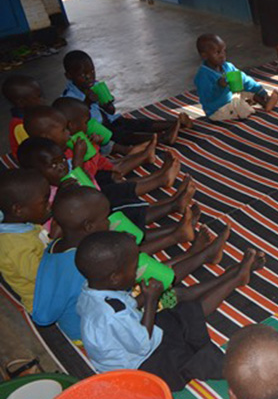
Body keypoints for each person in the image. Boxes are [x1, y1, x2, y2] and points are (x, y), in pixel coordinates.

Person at [76, 230, 265, 390]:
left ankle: (234, 278)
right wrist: (151, 299)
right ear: (115, 277)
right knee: (187, 360)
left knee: (183, 312)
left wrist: (149, 297)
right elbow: (143, 344)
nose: (136, 272)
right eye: (133, 268)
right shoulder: (111, 313)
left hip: (135, 339)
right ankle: (240, 369)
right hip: (138, 367)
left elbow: (129, 311)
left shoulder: (92, 289)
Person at [17, 136, 199, 255]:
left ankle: (174, 206)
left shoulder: (67, 174)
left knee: (127, 223)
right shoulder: (43, 197)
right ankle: (175, 229)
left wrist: (80, 173)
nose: (62, 166)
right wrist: (67, 192)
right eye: (53, 165)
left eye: (62, 160)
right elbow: (55, 234)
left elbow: (94, 190)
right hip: (86, 238)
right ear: (34, 173)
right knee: (123, 238)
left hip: (97, 215)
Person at [23, 105, 181, 196]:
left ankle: (149, 163)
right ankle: (159, 179)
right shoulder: (48, 160)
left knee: (113, 175)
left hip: (90, 186)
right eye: (64, 130)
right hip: (86, 199)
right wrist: (80, 156)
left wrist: (93, 147)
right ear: (46, 136)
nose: (68, 133)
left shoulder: (58, 150)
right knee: (115, 186)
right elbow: (82, 180)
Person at [61, 50, 190, 145]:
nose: (89, 77)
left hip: (112, 120)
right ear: (69, 76)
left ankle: (176, 123)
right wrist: (88, 102)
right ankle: (161, 138)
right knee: (124, 136)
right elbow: (77, 125)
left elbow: (111, 111)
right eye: (82, 75)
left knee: (138, 123)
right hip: (100, 132)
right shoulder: (69, 100)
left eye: (92, 71)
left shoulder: (95, 86)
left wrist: (106, 104)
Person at [194, 34, 278, 121]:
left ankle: (265, 103)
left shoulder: (227, 67)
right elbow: (207, 98)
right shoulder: (203, 76)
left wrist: (261, 91)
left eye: (224, 51)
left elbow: (245, 80)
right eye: (218, 52)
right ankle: (247, 107)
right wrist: (219, 86)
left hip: (231, 99)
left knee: (249, 92)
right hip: (217, 110)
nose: (223, 55)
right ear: (204, 55)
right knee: (241, 106)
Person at [0, 169, 51, 312]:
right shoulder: (14, 248)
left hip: (49, 278)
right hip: (44, 302)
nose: (49, 205)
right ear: (18, 210)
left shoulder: (24, 223)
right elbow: (44, 277)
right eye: (44, 201)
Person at [2, 75, 45, 156]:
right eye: (39, 96)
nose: (43, 100)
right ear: (21, 102)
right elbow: (34, 152)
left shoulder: (32, 114)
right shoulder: (20, 126)